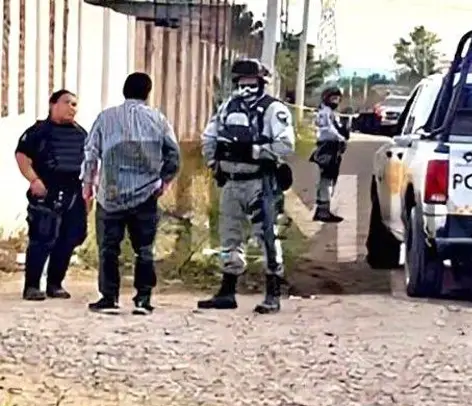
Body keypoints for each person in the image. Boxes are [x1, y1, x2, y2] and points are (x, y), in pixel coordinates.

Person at [198, 58, 296, 314]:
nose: (247, 87)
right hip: (230, 181)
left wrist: (254, 151)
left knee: (266, 237)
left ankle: (272, 293)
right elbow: (209, 136)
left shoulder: (274, 110)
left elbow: (286, 145)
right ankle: (227, 291)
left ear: (262, 82)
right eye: (242, 82)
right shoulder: (228, 106)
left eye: (252, 82)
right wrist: (213, 163)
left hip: (260, 181)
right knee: (229, 237)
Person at [81, 72, 181, 315]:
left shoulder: (106, 118)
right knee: (144, 250)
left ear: (124, 90)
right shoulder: (158, 119)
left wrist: (88, 184)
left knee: (108, 248)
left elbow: (91, 152)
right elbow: (173, 155)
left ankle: (109, 297)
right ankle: (143, 299)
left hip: (110, 194)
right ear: (148, 92)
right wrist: (164, 182)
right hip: (146, 195)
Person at [14, 90, 88, 301]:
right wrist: (34, 180)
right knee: (42, 238)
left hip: (74, 192)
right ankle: (32, 286)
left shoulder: (80, 133)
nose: (72, 108)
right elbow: (21, 156)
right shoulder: (39, 131)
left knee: (71, 237)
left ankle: (55, 284)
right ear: (53, 104)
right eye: (68, 103)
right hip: (46, 192)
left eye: (75, 104)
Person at [311, 85, 348, 223]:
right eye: (333, 98)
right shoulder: (324, 112)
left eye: (337, 98)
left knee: (330, 179)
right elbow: (328, 129)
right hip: (327, 147)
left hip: (333, 148)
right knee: (326, 180)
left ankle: (323, 209)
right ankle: (323, 211)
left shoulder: (332, 112)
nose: (336, 101)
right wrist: (341, 138)